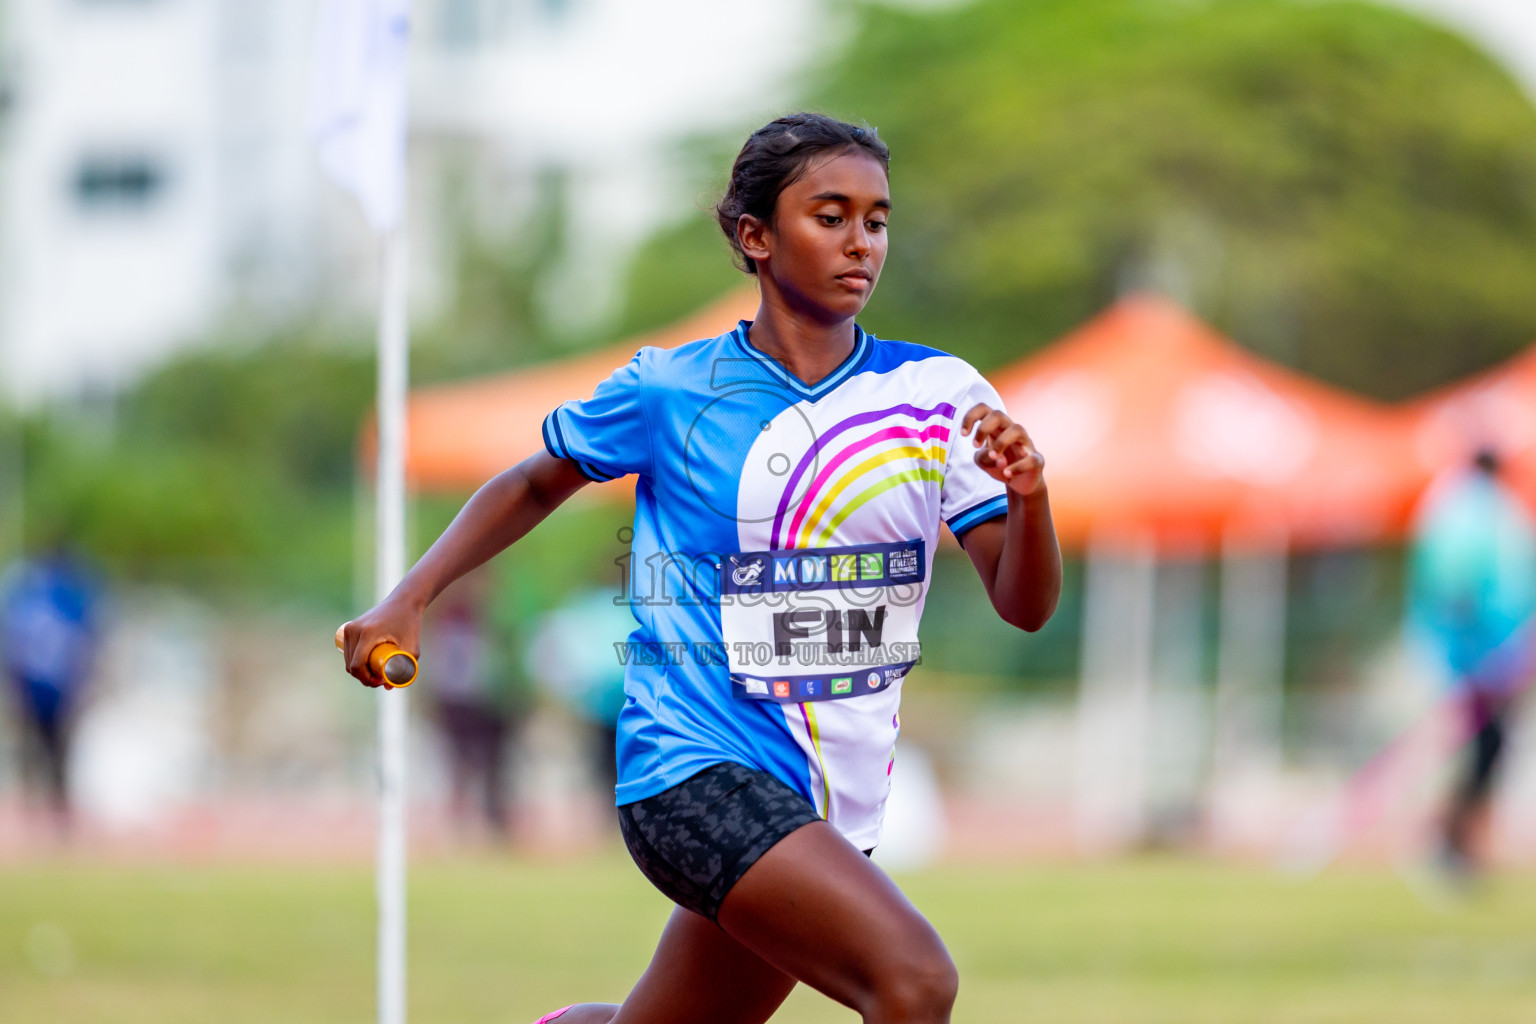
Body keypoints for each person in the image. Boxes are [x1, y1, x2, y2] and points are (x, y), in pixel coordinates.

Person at [340, 112, 1062, 1024]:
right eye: (829, 215)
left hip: (831, 799)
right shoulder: (671, 389)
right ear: (756, 237)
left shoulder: (940, 396)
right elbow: (533, 483)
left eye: (876, 220)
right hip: (692, 769)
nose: (860, 243)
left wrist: (1030, 495)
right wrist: (411, 596)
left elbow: (1025, 607)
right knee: (915, 980)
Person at [1408, 448, 1536, 879]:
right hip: (1484, 656)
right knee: (1484, 747)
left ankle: (1460, 842)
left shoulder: (1467, 508)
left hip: (1484, 655)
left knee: (1485, 748)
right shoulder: (1481, 512)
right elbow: (1461, 588)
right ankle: (1451, 841)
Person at [1, 546, 100, 830]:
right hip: (55, 689)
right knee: (53, 755)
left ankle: (40, 815)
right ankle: (51, 815)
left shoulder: (28, 597)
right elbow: (86, 643)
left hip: (36, 687)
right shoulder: (67, 599)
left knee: (40, 753)